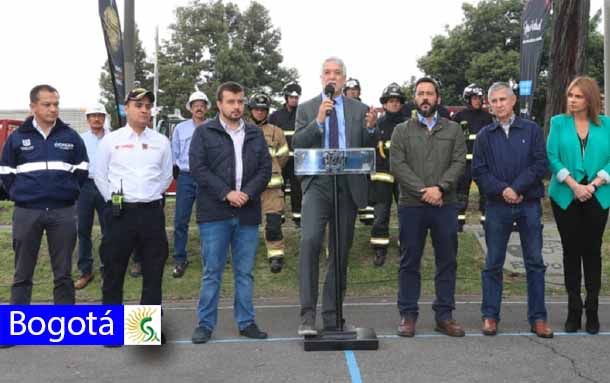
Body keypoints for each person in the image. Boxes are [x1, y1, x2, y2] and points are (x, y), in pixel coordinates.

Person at [294, 57, 377, 336]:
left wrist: (371, 130)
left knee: (340, 252)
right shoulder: (307, 108)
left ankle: (332, 316)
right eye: (327, 73)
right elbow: (298, 144)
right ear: (321, 78)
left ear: (344, 78)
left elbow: (367, 148)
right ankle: (307, 317)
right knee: (310, 242)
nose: (332, 77)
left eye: (337, 73)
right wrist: (319, 121)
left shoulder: (360, 108)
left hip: (347, 185)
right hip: (318, 185)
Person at [190, 82, 271, 344]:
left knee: (244, 271)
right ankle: (205, 324)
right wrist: (227, 193)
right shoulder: (204, 133)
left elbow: (265, 170)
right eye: (231, 102)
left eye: (240, 101)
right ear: (219, 104)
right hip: (214, 213)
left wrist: (246, 192)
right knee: (212, 271)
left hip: (247, 212)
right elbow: (199, 168)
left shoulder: (255, 134)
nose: (237, 107)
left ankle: (246, 322)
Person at [472, 82, 552, 338]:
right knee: (493, 263)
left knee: (535, 263)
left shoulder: (532, 129)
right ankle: (490, 316)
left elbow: (541, 164)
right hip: (497, 206)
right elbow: (479, 171)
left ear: (513, 100)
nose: (498, 105)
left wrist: (517, 188)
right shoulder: (485, 135)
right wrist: (503, 190)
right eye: (493, 101)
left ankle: (538, 318)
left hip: (528, 204)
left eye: (502, 99)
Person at [95, 88, 172, 345]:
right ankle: (112, 330)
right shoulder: (111, 140)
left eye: (148, 105)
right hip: (120, 213)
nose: (144, 110)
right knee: (114, 270)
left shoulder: (161, 141)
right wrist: (115, 200)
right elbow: (100, 175)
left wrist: (149, 194)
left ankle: (144, 331)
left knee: (152, 272)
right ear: (125, 108)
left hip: (151, 212)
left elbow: (166, 176)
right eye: (138, 104)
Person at [390, 77, 466, 338]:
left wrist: (440, 188)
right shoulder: (401, 130)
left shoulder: (454, 130)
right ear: (415, 98)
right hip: (412, 205)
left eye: (429, 93)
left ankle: (444, 316)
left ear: (438, 98)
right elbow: (398, 166)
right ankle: (408, 315)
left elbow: (458, 163)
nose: (425, 97)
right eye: (420, 93)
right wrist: (424, 191)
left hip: (445, 204)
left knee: (447, 261)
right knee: (409, 261)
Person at [0, 84, 88, 305]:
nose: (53, 109)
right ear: (33, 107)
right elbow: (5, 172)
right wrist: (20, 195)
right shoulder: (17, 138)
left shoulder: (71, 136)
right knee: (22, 271)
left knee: (63, 272)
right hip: (27, 212)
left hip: (63, 212)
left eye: (56, 104)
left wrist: (66, 192)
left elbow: (82, 169)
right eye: (47, 104)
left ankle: (66, 324)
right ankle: (16, 323)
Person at [547, 76, 610, 335]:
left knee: (592, 252)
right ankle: (574, 310)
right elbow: (552, 156)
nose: (572, 100)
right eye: (570, 95)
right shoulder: (558, 123)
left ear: (590, 99)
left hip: (598, 194)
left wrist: (593, 185)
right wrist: (574, 185)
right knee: (571, 252)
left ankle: (592, 309)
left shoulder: (606, 125)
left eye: (578, 96)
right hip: (565, 195)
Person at [248, 92, 289, 273]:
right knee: (245, 225)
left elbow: (283, 157)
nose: (259, 112)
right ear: (251, 110)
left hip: (272, 188)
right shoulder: (241, 130)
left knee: (273, 224)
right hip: (248, 188)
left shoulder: (276, 132)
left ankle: (276, 256)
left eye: (263, 110)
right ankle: (245, 256)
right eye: (256, 109)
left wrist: (271, 171)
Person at [171, 90, 210, 278]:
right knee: (180, 220)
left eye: (202, 104)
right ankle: (179, 259)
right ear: (190, 108)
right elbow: (174, 153)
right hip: (186, 177)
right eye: (195, 105)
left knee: (208, 220)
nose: (199, 107)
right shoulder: (180, 128)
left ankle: (209, 258)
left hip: (207, 178)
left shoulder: (213, 127)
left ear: (206, 107)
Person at [369, 83, 406, 267]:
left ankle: (405, 245)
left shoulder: (409, 124)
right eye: (391, 101)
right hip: (382, 176)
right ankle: (379, 247)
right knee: (381, 212)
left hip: (404, 176)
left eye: (397, 101)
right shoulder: (378, 124)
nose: (394, 104)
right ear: (384, 104)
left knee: (405, 211)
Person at [74, 104, 109, 289]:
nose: (96, 119)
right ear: (88, 119)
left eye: (100, 116)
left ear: (104, 118)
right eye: (93, 116)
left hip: (106, 186)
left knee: (108, 230)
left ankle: (106, 269)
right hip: (85, 186)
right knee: (83, 230)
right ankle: (86, 271)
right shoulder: (80, 139)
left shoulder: (112, 139)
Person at [452, 83, 493, 230]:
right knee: (461, 194)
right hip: (464, 165)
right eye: (474, 98)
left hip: (482, 164)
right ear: (468, 99)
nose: (478, 101)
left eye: (480, 98)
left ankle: (487, 221)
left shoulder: (488, 117)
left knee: (486, 194)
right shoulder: (459, 117)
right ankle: (458, 224)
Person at [269, 81, 302, 225]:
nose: (294, 100)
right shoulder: (276, 116)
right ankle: (279, 216)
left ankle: (298, 216)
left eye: (296, 97)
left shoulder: (302, 114)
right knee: (278, 189)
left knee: (298, 189)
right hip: (280, 160)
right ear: (286, 97)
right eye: (291, 97)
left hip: (297, 160)